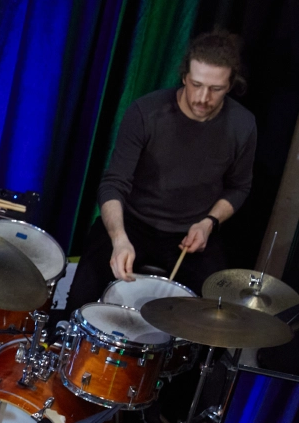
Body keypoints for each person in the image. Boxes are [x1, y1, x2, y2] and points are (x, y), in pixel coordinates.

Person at [65, 31, 257, 311]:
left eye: (215, 89)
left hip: (192, 231)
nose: (203, 97)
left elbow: (240, 187)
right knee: (78, 306)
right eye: (196, 84)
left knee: (214, 319)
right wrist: (119, 239)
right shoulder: (146, 112)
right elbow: (112, 184)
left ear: (230, 85)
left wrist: (208, 223)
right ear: (184, 77)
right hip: (131, 222)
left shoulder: (243, 125)